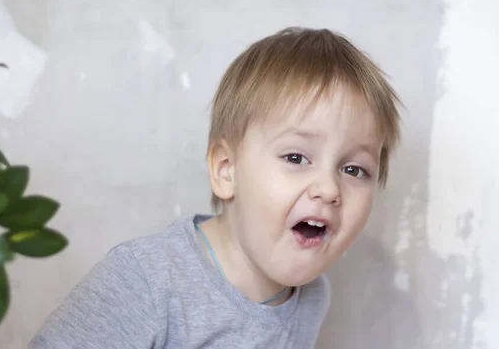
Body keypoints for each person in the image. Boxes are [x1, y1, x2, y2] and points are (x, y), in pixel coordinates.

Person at [28, 27, 402, 348]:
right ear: (227, 170)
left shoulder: (312, 297)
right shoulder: (146, 280)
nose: (328, 188)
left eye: (354, 169)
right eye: (295, 158)